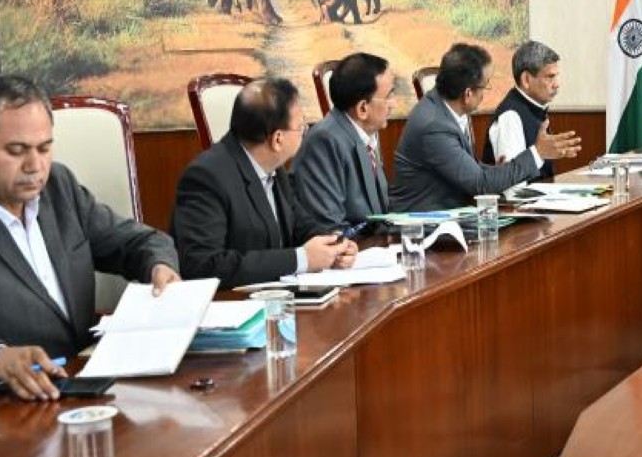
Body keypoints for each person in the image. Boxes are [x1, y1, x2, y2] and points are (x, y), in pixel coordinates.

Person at [0, 75, 179, 421]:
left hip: (87, 397)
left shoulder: (59, 187)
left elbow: (141, 241)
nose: (35, 166)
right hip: (6, 424)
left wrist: (158, 266)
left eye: (44, 148)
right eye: (17, 150)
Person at [172, 77, 358, 288]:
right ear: (277, 139)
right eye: (301, 127)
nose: (304, 133)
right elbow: (203, 265)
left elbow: (299, 224)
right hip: (235, 307)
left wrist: (333, 243)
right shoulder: (206, 177)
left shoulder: (273, 167)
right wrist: (301, 259)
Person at [392, 42, 581, 210]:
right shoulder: (434, 125)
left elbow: (472, 170)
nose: (485, 94)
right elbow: (480, 184)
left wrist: (499, 172)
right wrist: (538, 153)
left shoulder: (447, 109)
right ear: (468, 94)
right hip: (420, 228)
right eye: (485, 86)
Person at [293, 52, 394, 230]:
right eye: (388, 96)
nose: (393, 103)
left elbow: (382, 212)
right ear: (363, 108)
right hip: (353, 252)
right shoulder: (324, 142)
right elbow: (328, 227)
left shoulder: (366, 134)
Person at [484, 40, 565, 180]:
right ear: (526, 79)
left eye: (556, 76)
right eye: (550, 77)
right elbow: (512, 185)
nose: (556, 85)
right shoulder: (510, 116)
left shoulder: (537, 109)